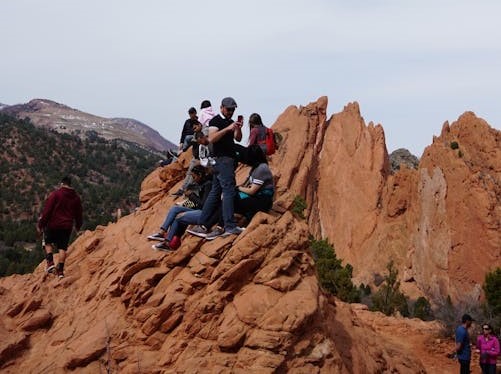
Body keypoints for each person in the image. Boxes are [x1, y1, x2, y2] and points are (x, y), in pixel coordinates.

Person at [188, 97, 244, 237]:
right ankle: (230, 226)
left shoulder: (230, 123)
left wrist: (237, 128)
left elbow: (238, 139)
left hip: (225, 161)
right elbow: (211, 138)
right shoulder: (215, 121)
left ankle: (202, 224)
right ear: (221, 108)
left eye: (232, 109)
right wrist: (227, 129)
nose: (230, 112)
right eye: (228, 109)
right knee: (229, 192)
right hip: (223, 161)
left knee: (215, 192)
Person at [205, 144, 275, 240]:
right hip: (256, 198)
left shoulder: (262, 168)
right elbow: (247, 186)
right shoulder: (255, 168)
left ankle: (218, 227)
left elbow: (251, 191)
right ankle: (215, 226)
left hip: (263, 202)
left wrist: (237, 189)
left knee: (230, 200)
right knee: (228, 199)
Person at [148, 165, 211, 250]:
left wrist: (191, 196)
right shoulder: (201, 184)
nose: (193, 179)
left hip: (204, 213)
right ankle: (162, 232)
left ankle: (167, 243)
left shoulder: (208, 185)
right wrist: (186, 203)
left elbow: (204, 204)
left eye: (194, 176)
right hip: (198, 209)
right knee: (175, 209)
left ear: (200, 175)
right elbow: (198, 202)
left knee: (179, 217)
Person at [37, 176, 83, 278]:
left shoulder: (56, 194)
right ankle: (60, 271)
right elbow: (78, 213)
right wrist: (78, 225)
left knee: (47, 242)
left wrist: (41, 224)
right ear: (70, 185)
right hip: (67, 226)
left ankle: (50, 263)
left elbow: (47, 210)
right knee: (62, 248)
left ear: (62, 184)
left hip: (53, 224)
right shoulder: (76, 197)